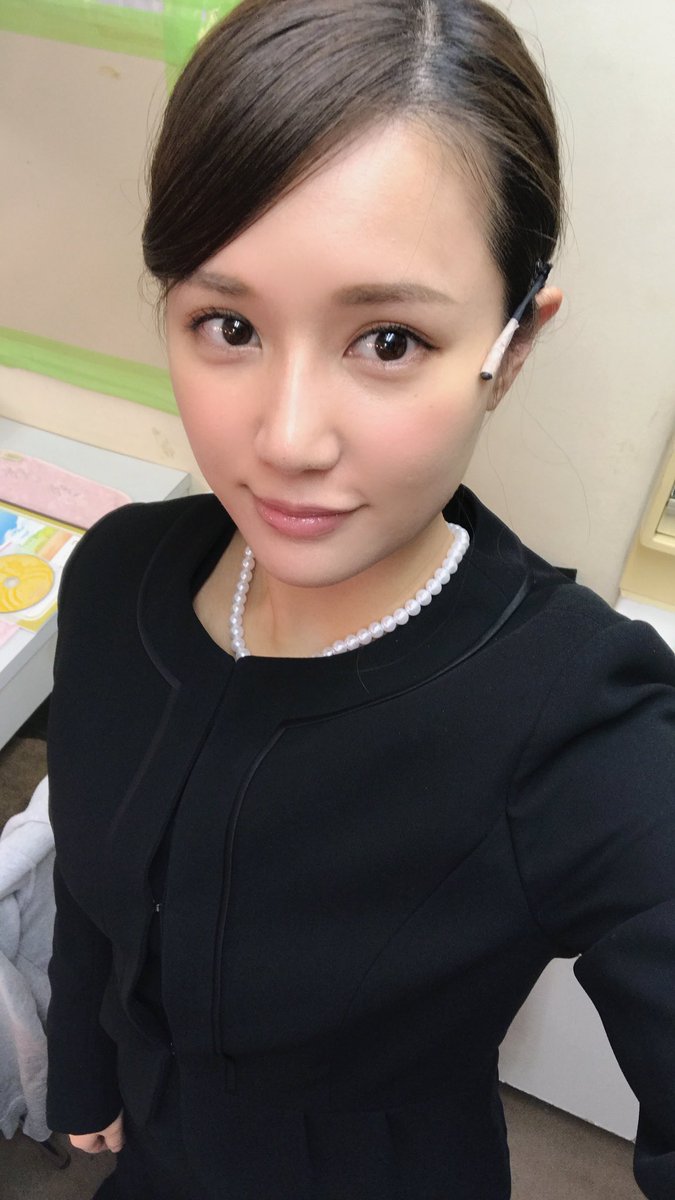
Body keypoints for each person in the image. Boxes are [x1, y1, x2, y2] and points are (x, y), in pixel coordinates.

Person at [44, 1, 675, 1197]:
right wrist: (82, 1069)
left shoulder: (581, 721)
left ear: (513, 346)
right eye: (228, 325)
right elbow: (89, 884)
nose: (287, 440)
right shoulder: (121, 573)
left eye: (388, 341)